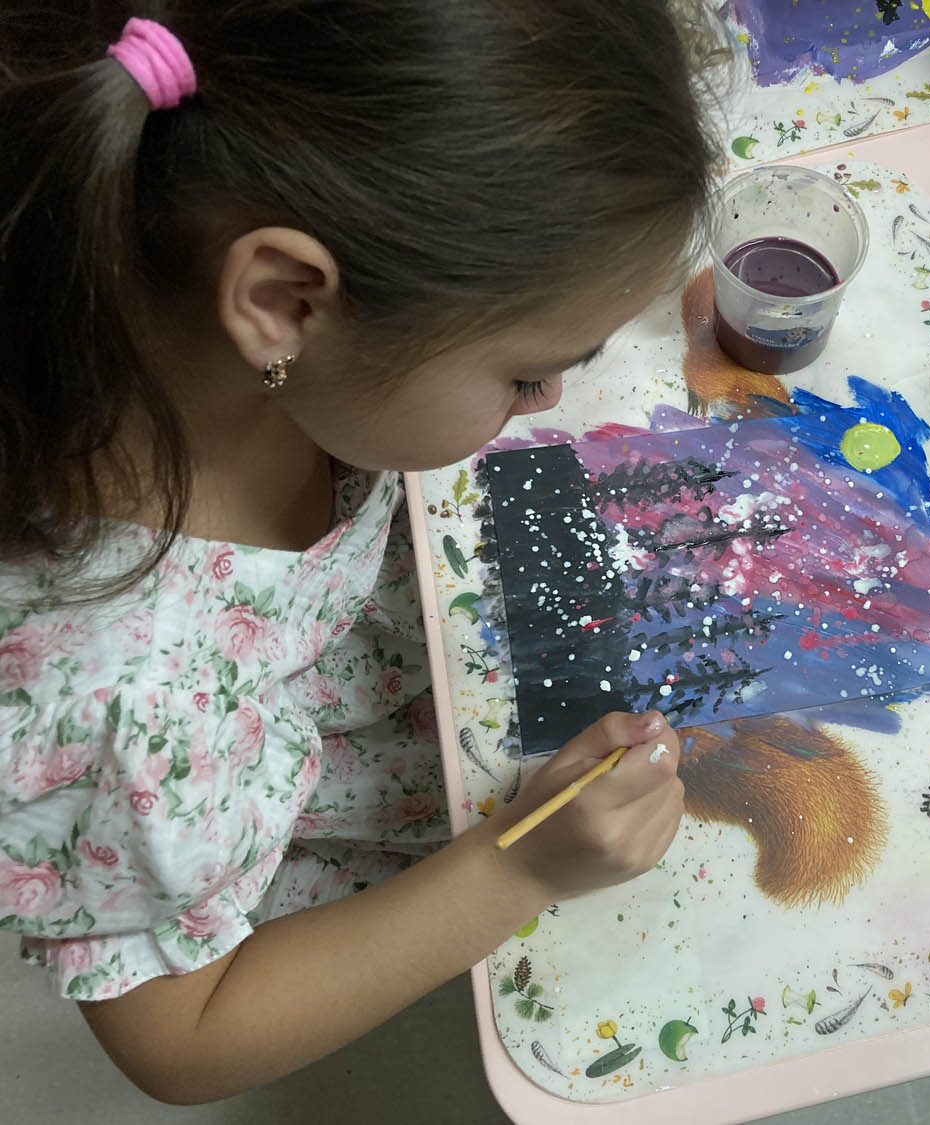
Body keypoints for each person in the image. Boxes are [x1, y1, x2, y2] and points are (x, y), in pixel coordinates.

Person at [0, 2, 714, 1103]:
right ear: (285, 302)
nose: (547, 402)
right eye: (526, 372)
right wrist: (519, 867)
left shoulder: (211, 314)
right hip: (282, 837)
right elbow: (185, 1039)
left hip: (371, 659)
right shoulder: (128, 701)